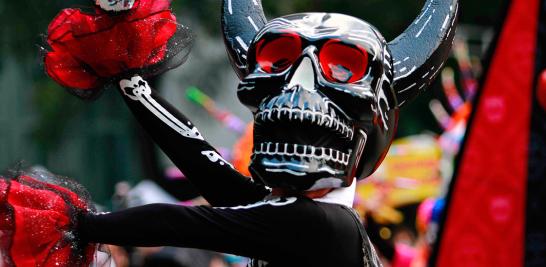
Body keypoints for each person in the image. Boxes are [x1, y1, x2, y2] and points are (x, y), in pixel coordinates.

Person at [0, 0, 458, 266]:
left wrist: (87, 225)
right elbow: (208, 170)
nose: (296, 96)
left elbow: (186, 223)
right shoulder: (298, 218)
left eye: (341, 70)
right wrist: (132, 85)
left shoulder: (325, 227)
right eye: (278, 64)